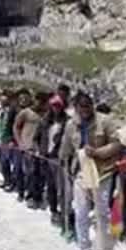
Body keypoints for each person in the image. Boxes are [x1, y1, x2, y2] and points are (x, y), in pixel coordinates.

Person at [59, 91, 121, 250]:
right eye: (81, 106)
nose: (85, 109)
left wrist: (98, 152)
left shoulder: (105, 122)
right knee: (81, 211)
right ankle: (85, 249)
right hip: (80, 173)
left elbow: (117, 144)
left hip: (103, 172)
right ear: (76, 108)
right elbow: (66, 147)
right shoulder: (71, 125)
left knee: (102, 212)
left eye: (88, 105)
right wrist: (62, 161)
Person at [40, 95, 70, 224]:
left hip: (60, 159)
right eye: (53, 105)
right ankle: (54, 211)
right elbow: (38, 136)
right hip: (46, 157)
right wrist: (39, 150)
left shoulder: (67, 121)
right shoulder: (46, 121)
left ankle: (64, 213)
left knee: (62, 188)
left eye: (58, 105)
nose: (56, 108)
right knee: (51, 185)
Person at [14, 92, 45, 207]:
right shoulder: (25, 113)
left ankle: (39, 196)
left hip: (41, 149)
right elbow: (16, 127)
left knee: (40, 173)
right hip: (28, 147)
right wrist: (20, 142)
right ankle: (30, 196)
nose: (39, 103)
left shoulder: (44, 114)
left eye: (42, 101)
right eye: (38, 100)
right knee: (30, 172)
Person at [0, 92, 19, 191]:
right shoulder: (1, 111)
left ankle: (13, 183)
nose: (2, 101)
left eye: (4, 99)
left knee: (13, 163)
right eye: (1, 100)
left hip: (9, 140)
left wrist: (13, 139)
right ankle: (7, 180)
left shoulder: (12, 111)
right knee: (4, 163)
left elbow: (14, 126)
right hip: (1, 139)